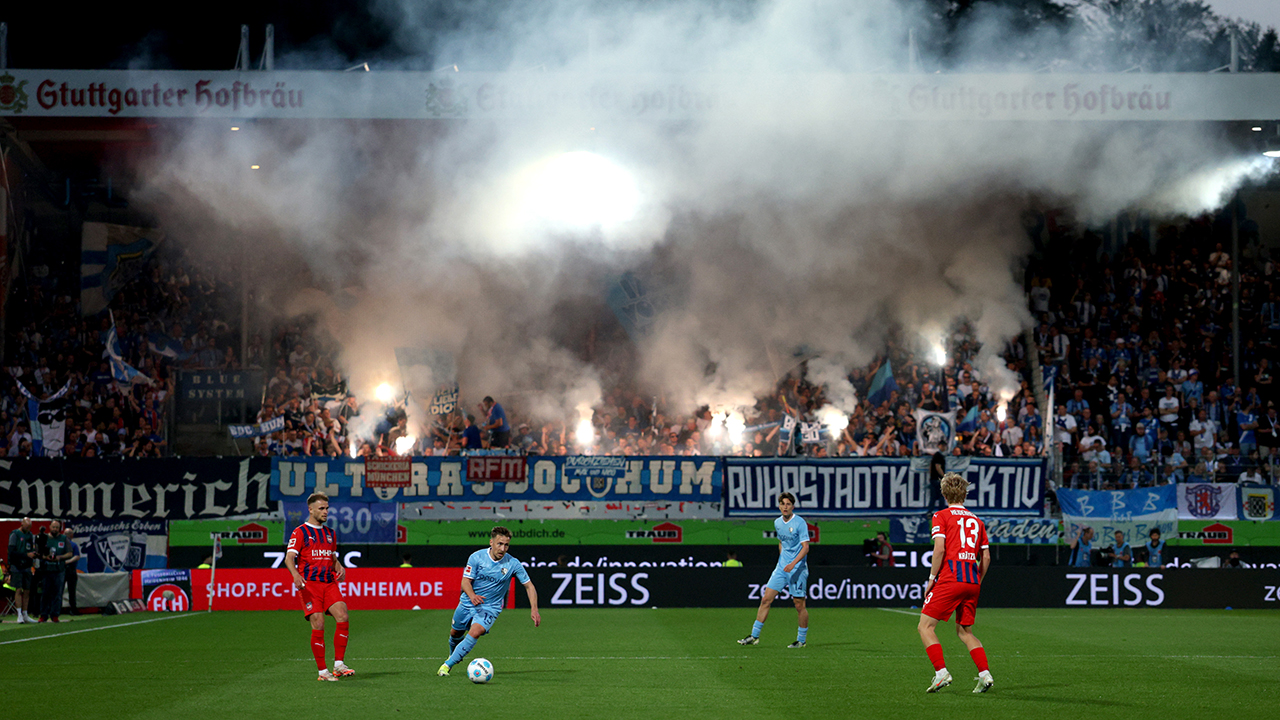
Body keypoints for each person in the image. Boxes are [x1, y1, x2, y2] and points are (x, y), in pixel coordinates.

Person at [918, 472, 994, 694]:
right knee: (965, 631)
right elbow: (986, 557)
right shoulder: (977, 521)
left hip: (951, 578)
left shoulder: (941, 516)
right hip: (972, 580)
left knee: (925, 626)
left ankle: (941, 673)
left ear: (944, 493)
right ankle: (985, 674)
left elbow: (939, 548)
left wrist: (932, 579)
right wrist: (977, 579)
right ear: (965, 493)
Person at [437, 526, 540, 677]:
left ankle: (446, 666)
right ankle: (453, 656)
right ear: (491, 542)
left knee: (475, 631)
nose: (503, 548)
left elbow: (529, 586)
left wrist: (534, 609)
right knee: (455, 632)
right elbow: (465, 581)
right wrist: (472, 595)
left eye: (506, 545)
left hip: (490, 607)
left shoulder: (513, 563)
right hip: (468, 602)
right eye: (499, 544)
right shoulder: (476, 557)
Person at [285, 492, 355, 681]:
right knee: (319, 624)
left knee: (343, 615)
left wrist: (338, 565)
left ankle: (339, 665)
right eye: (321, 508)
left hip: (329, 583)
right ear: (310, 509)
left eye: (327, 508)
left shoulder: (330, 534)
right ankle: (323, 672)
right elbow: (289, 557)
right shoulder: (300, 532)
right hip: (310, 585)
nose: (325, 512)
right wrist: (295, 574)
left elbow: (332, 557)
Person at [737, 492, 810, 649]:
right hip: (781, 568)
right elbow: (781, 541)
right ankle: (754, 636)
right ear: (779, 506)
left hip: (797, 569)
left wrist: (793, 564)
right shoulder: (777, 522)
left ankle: (801, 640)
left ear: (793, 506)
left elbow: (806, 548)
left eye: (788, 504)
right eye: (783, 504)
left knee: (799, 605)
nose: (785, 507)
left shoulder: (800, 522)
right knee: (765, 600)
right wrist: (782, 560)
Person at [6, 517, 38, 623]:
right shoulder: (14, 534)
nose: (28, 528)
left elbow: (30, 548)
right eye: (26, 526)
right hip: (17, 566)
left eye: (30, 527)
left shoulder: (30, 535)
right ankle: (19, 614)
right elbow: (11, 552)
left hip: (27, 566)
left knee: (27, 591)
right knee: (19, 590)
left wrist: (32, 556)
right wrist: (25, 555)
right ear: (22, 524)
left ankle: (25, 614)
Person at [39, 521, 71, 623]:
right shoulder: (44, 538)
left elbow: (70, 553)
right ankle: (43, 615)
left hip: (59, 570)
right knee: (45, 593)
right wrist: (45, 557)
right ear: (49, 527)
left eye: (57, 527)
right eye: (53, 527)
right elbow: (37, 552)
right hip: (46, 570)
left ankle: (55, 615)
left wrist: (60, 557)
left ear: (60, 529)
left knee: (57, 594)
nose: (55, 529)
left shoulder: (64, 539)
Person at [63, 527, 82, 615]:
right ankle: (73, 609)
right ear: (72, 535)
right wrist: (69, 561)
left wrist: (64, 562)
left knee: (60, 590)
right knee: (72, 591)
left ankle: (57, 609)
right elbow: (77, 556)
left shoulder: (61, 544)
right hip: (70, 569)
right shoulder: (73, 544)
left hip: (62, 569)